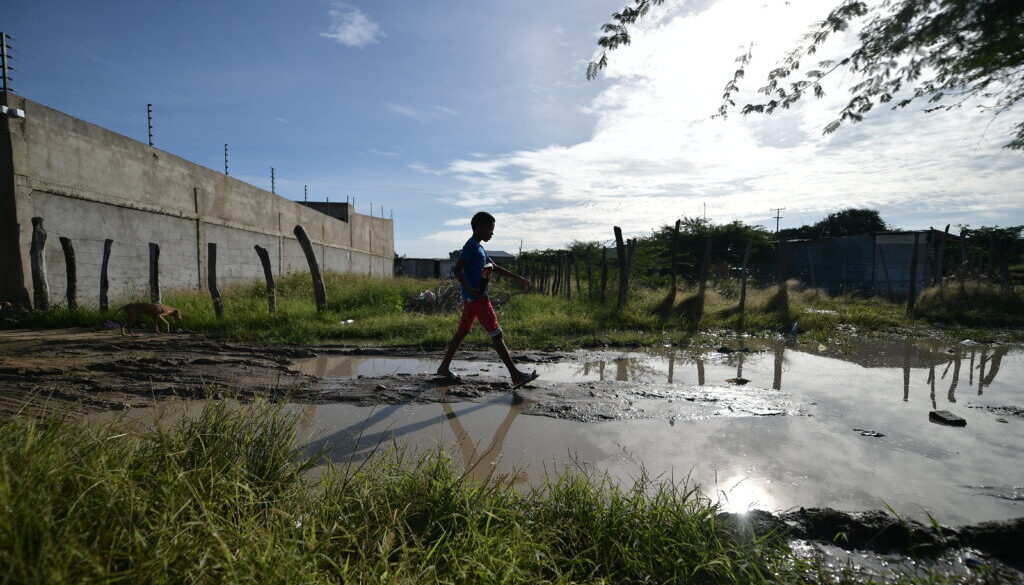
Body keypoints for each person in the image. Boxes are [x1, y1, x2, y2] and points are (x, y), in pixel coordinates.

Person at [436, 211, 539, 390]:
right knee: (497, 335)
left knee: (462, 332)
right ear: (479, 227)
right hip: (478, 300)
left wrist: (518, 278)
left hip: (471, 300)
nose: (492, 232)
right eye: (490, 228)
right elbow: (458, 270)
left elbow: (494, 267)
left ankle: (444, 368)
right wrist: (471, 290)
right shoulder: (471, 246)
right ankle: (515, 376)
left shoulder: (479, 247)